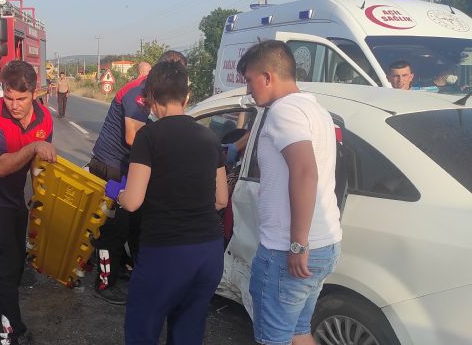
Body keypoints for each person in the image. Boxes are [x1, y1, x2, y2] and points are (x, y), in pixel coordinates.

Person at [108, 60, 228, 344]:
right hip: (209, 253)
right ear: (187, 96)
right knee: (188, 331)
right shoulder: (209, 137)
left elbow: (134, 201)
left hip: (166, 254)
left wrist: (116, 192)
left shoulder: (148, 137)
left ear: (149, 98)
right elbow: (221, 199)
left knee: (143, 330)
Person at [237, 40, 342, 345]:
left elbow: (304, 171)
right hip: (325, 244)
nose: (248, 90)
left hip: (288, 251)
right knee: (299, 331)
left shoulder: (284, 111)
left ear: (268, 76)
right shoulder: (315, 109)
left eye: (249, 81)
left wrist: (297, 243)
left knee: (273, 339)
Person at [0, 60, 56, 345]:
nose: (14, 104)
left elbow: (37, 165)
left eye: (21, 98)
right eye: (8, 97)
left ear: (35, 93)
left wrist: (40, 196)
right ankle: (12, 330)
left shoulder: (45, 119)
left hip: (14, 197)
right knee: (3, 266)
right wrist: (33, 146)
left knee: (17, 264)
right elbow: (2, 168)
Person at [86, 58, 156, 305]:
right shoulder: (139, 92)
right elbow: (132, 136)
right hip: (111, 168)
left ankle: (122, 267)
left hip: (124, 167)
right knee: (114, 230)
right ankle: (104, 282)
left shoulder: (148, 91)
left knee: (133, 225)